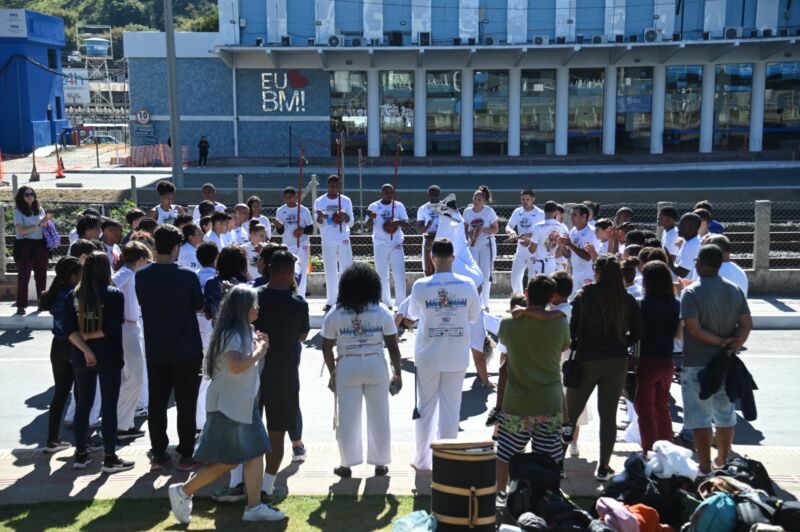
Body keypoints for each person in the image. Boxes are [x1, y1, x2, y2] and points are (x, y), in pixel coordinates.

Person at [168, 285, 285, 524]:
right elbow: (236, 366)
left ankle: (253, 507)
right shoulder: (234, 333)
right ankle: (183, 491)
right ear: (244, 308)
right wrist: (261, 350)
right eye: (255, 303)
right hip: (229, 406)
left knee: (254, 453)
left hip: (240, 404)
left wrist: (259, 345)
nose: (258, 307)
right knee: (230, 459)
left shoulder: (244, 330)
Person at [563, 254, 643, 481]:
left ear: (596, 272)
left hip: (586, 359)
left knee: (570, 416)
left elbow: (572, 329)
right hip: (616, 361)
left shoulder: (585, 295)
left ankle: (558, 463)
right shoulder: (626, 299)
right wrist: (621, 344)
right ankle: (604, 467)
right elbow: (638, 333)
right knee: (608, 417)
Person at [321, 262, 402, 477]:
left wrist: (333, 373)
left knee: (347, 417)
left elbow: (326, 347)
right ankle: (380, 463)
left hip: (348, 364)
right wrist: (398, 373)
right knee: (380, 416)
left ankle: (347, 464)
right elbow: (393, 346)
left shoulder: (335, 313)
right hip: (376, 363)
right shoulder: (382, 311)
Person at [406, 239, 481, 471]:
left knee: (425, 407)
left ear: (431, 258)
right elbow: (473, 316)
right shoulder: (467, 284)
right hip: (456, 355)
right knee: (451, 406)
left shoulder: (420, 285)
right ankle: (447, 459)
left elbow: (413, 314)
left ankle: (422, 460)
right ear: (453, 258)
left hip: (428, 355)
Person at [136, 225, 204, 471]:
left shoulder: (142, 276)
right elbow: (199, 306)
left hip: (157, 348)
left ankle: (159, 453)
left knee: (157, 402)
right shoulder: (188, 276)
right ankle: (186, 453)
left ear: (155, 247)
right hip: (186, 348)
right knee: (186, 402)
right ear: (177, 247)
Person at [495, 275, 571, 495]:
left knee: (506, 453)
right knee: (549, 456)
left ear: (526, 293)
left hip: (517, 404)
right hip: (549, 402)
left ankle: (501, 492)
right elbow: (564, 346)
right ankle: (548, 496)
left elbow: (505, 348)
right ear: (551, 297)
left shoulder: (508, 323)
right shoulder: (560, 322)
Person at [680, 244, 751, 475]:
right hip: (725, 363)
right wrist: (732, 344)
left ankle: (704, 466)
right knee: (725, 414)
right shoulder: (734, 290)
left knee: (700, 418)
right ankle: (722, 460)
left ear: (700, 262)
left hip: (697, 363)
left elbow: (694, 329)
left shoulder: (691, 292)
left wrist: (719, 341)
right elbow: (747, 325)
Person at [63, 252, 133, 473]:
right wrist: (92, 342)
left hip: (80, 355)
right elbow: (110, 329)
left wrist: (85, 348)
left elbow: (69, 331)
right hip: (108, 355)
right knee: (109, 406)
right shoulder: (113, 294)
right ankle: (110, 457)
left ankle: (80, 453)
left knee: (83, 404)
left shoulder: (73, 295)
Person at [256, 251, 311, 493]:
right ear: (290, 273)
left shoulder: (253, 297)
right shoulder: (298, 303)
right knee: (276, 435)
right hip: (283, 377)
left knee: (248, 432)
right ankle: (267, 487)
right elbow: (302, 335)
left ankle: (241, 482)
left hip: (252, 373)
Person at [635, 260, 681, 453]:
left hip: (646, 360)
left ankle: (649, 451)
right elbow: (678, 334)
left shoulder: (642, 304)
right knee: (662, 407)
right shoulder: (675, 304)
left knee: (645, 410)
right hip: (667, 360)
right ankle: (666, 449)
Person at [39, 257, 83, 453]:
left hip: (57, 347)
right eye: (81, 274)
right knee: (82, 396)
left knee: (60, 395)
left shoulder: (55, 293)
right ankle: (83, 444)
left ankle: (52, 440)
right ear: (74, 276)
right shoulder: (75, 294)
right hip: (75, 345)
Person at [112, 242, 151, 441]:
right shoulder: (127, 273)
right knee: (134, 378)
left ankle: (123, 424)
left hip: (131, 325)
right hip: (127, 327)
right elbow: (110, 285)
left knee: (133, 378)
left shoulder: (130, 273)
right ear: (141, 259)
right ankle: (119, 425)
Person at [366, 184, 411, 309]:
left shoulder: (398, 205)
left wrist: (397, 221)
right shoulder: (374, 206)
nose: (389, 195)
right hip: (380, 243)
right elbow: (368, 226)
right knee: (381, 273)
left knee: (399, 272)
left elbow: (407, 224)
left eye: (391, 192)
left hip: (395, 242)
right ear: (381, 194)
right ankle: (386, 302)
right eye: (386, 192)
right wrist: (371, 217)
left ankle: (401, 302)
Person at [314, 175, 354, 311]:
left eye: (336, 186)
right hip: (328, 238)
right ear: (328, 186)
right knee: (330, 269)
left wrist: (345, 215)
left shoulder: (346, 200)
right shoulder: (319, 201)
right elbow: (318, 224)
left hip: (343, 237)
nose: (334, 189)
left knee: (346, 268)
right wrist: (319, 215)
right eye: (331, 186)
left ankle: (347, 298)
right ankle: (331, 301)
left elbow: (351, 222)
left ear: (340, 186)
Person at [12, 186, 51, 314]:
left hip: (40, 244)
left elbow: (43, 226)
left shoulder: (40, 209)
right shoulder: (18, 210)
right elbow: (21, 231)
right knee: (24, 276)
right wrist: (39, 224)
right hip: (24, 245)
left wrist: (46, 222)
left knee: (41, 275)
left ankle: (42, 303)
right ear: (21, 197)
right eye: (26, 194)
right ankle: (21, 305)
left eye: (32, 194)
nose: (30, 197)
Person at [462, 186, 499, 309]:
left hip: (486, 244)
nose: (476, 200)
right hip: (473, 245)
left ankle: (485, 303)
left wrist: (481, 229)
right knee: (474, 273)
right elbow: (464, 229)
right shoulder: (467, 212)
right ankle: (475, 302)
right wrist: (471, 234)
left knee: (485, 273)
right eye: (475, 198)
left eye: (479, 199)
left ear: (484, 201)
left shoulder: (489, 212)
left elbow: (495, 229)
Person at [274, 186, 313, 297]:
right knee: (288, 271)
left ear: (296, 197)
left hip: (302, 244)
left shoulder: (304, 210)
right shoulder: (280, 211)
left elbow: (311, 229)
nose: (288, 200)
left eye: (290, 197)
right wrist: (278, 226)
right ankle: (289, 295)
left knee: (302, 271)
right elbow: (280, 231)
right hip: (288, 245)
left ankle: (301, 297)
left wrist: (302, 230)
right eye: (286, 198)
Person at [506, 188, 544, 295]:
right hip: (520, 251)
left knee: (532, 278)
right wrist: (511, 232)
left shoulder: (540, 214)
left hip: (534, 251)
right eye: (523, 199)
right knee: (515, 276)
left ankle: (531, 302)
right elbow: (508, 226)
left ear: (533, 199)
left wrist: (529, 237)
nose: (525, 202)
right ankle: (518, 299)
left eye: (527, 199)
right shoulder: (517, 212)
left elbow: (543, 232)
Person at [558, 204, 599, 297]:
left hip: (589, 275)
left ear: (584, 216)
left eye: (574, 215)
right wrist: (562, 246)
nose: (571, 217)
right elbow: (568, 255)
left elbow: (588, 257)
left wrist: (570, 244)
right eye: (571, 214)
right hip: (575, 275)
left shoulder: (592, 232)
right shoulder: (572, 231)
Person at [204, 246, 250, 321]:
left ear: (219, 262)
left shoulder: (211, 283)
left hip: (219, 330)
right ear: (242, 263)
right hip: (242, 329)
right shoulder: (247, 284)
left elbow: (208, 315)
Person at [529, 201, 568, 277]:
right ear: (556, 212)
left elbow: (532, 249)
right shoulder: (563, 227)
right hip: (553, 263)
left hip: (540, 264)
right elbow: (563, 248)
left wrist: (529, 242)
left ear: (544, 211)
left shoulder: (537, 226)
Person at [415, 185, 442, 276]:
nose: (434, 198)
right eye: (432, 195)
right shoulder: (423, 209)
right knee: (429, 270)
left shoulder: (446, 207)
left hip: (443, 240)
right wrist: (427, 226)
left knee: (443, 269)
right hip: (429, 241)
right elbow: (419, 230)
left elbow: (455, 224)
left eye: (436, 195)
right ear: (428, 195)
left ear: (440, 195)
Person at [673, 213, 702, 279]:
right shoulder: (689, 242)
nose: (678, 226)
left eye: (682, 224)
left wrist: (667, 260)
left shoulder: (692, 246)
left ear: (691, 227)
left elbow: (681, 273)